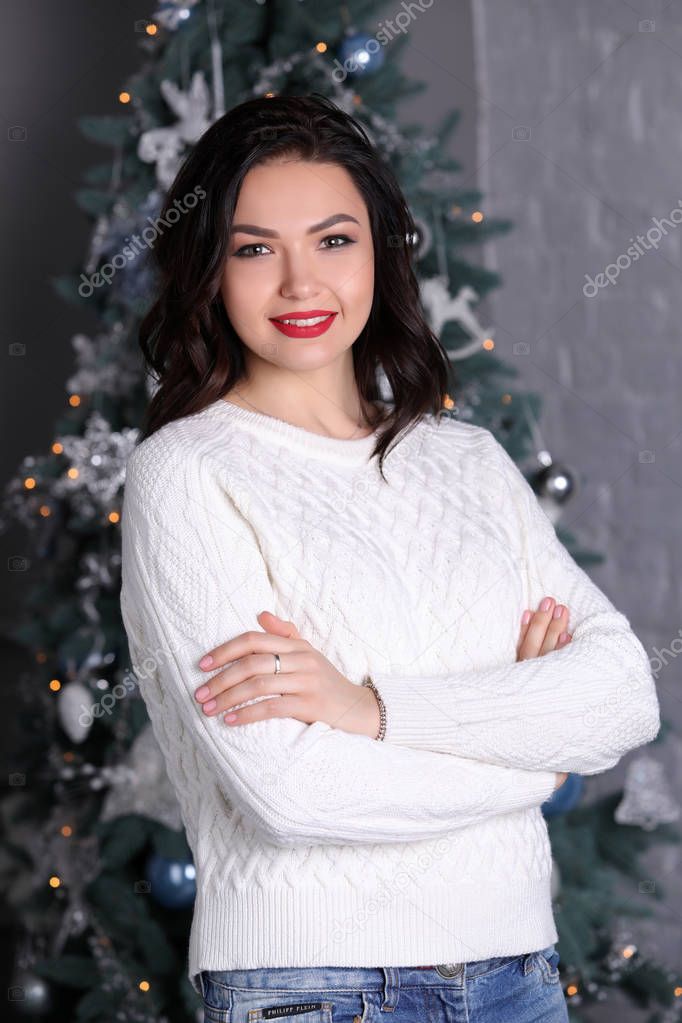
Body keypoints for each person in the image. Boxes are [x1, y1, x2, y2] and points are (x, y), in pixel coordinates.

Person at [120, 93, 660, 1023]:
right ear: (208, 267)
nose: (301, 284)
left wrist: (369, 708)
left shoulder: (469, 461)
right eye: (255, 249)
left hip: (517, 975)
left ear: (380, 251)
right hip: (311, 986)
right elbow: (294, 790)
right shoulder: (185, 473)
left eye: (334, 240)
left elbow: (622, 694)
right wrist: (535, 753)